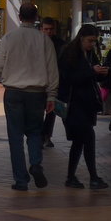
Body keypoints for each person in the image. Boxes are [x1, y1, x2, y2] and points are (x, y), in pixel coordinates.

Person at [0, 3, 59, 191]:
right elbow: (53, 71)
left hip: (13, 91)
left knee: (15, 135)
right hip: (37, 93)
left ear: (20, 17)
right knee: (35, 132)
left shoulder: (9, 38)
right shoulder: (45, 40)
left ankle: (21, 180)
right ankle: (36, 163)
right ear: (36, 17)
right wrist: (51, 95)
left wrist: (3, 78)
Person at [58, 24, 110, 189]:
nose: (92, 44)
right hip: (74, 104)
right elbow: (68, 78)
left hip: (87, 104)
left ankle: (71, 176)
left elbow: (90, 76)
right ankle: (93, 177)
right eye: (89, 41)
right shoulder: (69, 53)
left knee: (79, 141)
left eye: (94, 41)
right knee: (88, 138)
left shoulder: (89, 53)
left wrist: (101, 73)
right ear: (81, 38)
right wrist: (91, 71)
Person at [40, 17, 65, 148]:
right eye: (46, 29)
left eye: (51, 29)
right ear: (41, 29)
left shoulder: (60, 44)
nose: (48, 32)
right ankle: (40, 135)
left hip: (54, 82)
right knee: (39, 111)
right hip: (39, 82)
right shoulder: (37, 42)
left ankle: (46, 136)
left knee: (51, 111)